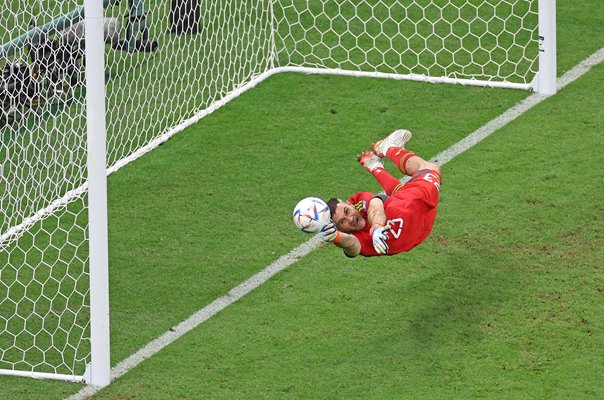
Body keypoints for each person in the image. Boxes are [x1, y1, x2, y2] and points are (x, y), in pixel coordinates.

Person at [319, 129, 442, 257]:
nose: (350, 219)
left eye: (346, 211)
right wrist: (336, 237)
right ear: (341, 229)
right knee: (400, 193)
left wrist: (377, 227)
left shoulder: (359, 201)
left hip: (416, 202)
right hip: (421, 225)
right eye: (342, 222)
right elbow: (352, 246)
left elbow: (375, 208)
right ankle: (373, 165)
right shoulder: (360, 239)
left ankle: (388, 148)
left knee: (431, 169)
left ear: (348, 204)